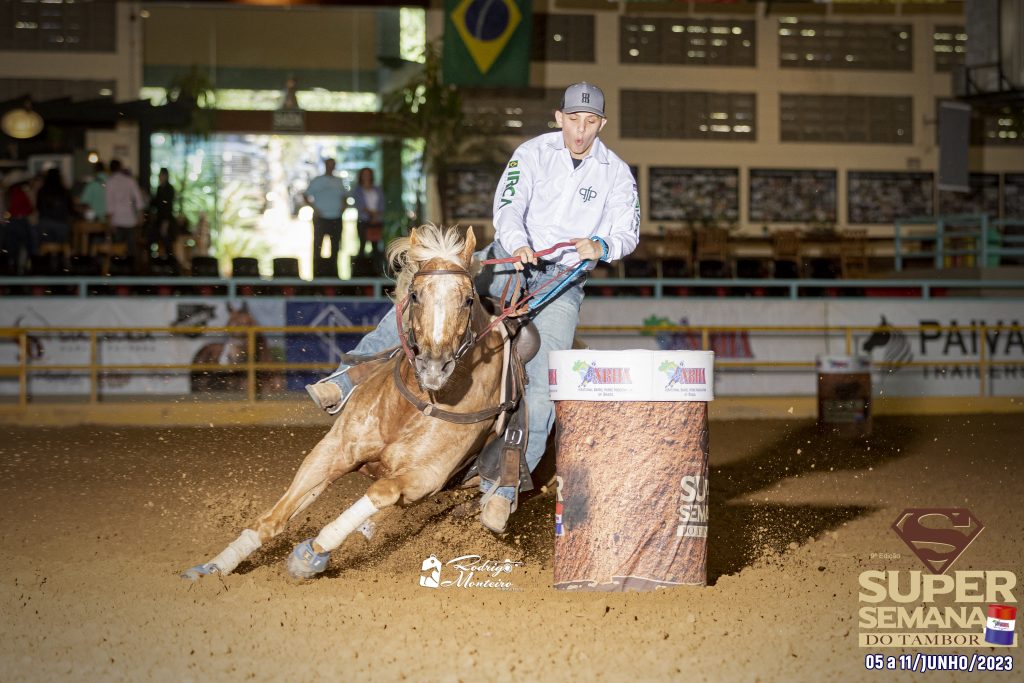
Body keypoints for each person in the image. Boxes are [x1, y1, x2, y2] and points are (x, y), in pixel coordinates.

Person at [305, 83, 639, 533]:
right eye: (574, 119)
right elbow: (508, 202)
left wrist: (601, 244)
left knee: (543, 388)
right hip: (510, 260)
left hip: (562, 283)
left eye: (591, 121)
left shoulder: (615, 174)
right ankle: (348, 378)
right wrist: (518, 243)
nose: (581, 130)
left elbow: (627, 231)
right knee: (423, 302)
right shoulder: (532, 153)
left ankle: (502, 489)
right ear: (559, 118)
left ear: (600, 124)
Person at [303, 158, 346, 277]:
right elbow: (306, 195)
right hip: (321, 218)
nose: (331, 167)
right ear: (325, 165)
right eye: (329, 164)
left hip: (336, 218)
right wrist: (314, 208)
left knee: (336, 247)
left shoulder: (339, 181)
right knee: (318, 246)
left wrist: (343, 207)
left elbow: (344, 196)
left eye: (333, 165)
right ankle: (316, 274)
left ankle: (334, 274)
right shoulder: (317, 180)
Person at [105, 159, 145, 265]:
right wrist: (140, 216)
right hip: (130, 220)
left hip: (116, 220)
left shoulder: (110, 182)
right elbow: (139, 200)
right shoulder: (130, 180)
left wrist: (109, 222)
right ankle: (131, 272)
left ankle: (119, 272)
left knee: (118, 250)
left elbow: (110, 204)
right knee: (131, 249)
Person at [35, 168, 75, 246]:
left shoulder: (42, 190)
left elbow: (38, 207)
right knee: (61, 246)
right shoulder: (64, 191)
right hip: (61, 224)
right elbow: (70, 209)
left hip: (45, 224)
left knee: (44, 245)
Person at [351, 167, 384, 257]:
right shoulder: (357, 190)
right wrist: (372, 215)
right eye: (364, 174)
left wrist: (376, 216)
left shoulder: (377, 189)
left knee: (376, 246)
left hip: (377, 221)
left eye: (368, 174)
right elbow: (359, 205)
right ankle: (361, 268)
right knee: (362, 245)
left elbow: (382, 204)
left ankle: (376, 268)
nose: (366, 176)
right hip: (363, 220)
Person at [147, 167, 177, 257]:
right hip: (159, 219)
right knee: (152, 238)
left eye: (161, 175)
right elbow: (156, 203)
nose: (160, 177)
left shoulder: (169, 189)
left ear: (166, 176)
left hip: (166, 219)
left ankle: (170, 262)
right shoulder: (160, 188)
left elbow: (168, 207)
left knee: (167, 241)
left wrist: (166, 222)